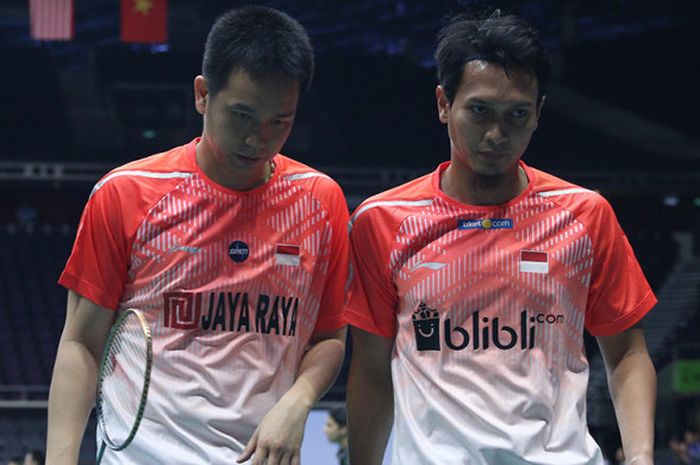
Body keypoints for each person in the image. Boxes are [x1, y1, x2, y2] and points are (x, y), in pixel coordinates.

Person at [345, 10, 657, 465]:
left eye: (517, 114)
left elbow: (627, 353)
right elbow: (371, 369)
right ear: (442, 103)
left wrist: (642, 456)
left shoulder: (584, 216)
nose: (497, 134)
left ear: (539, 114)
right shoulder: (383, 221)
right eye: (479, 111)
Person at [46, 6, 349, 465]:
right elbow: (81, 345)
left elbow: (329, 337)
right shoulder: (127, 194)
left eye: (279, 122)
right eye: (242, 115)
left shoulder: (320, 202)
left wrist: (299, 400)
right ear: (202, 95)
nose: (257, 139)